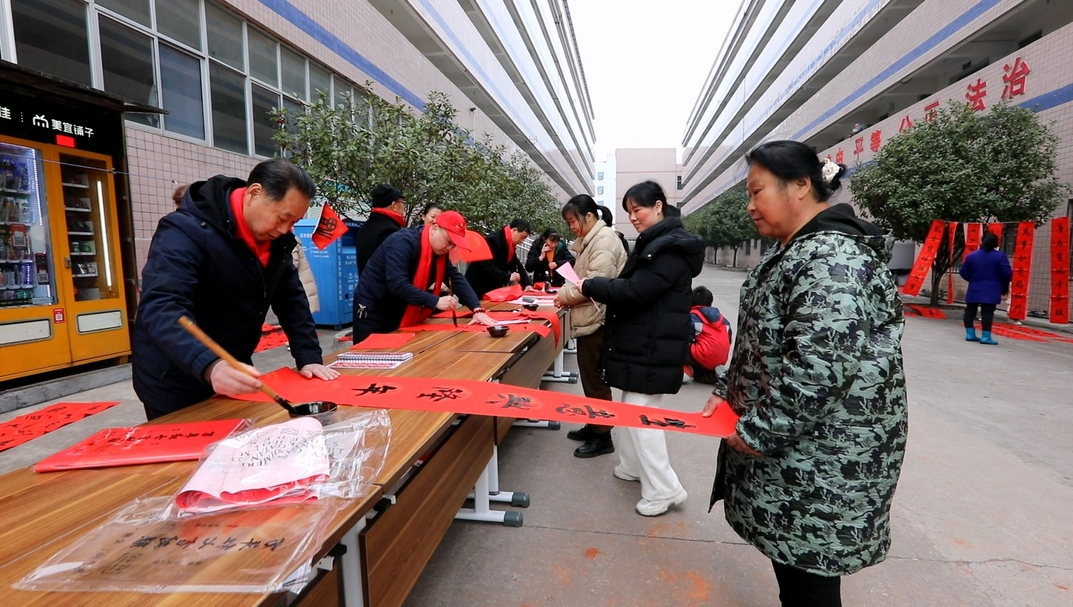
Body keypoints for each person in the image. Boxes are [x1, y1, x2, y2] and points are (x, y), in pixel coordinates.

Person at [703, 140, 907, 606]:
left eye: (757, 192)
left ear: (800, 185)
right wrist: (726, 389)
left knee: (809, 583)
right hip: (801, 456)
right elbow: (765, 343)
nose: (750, 206)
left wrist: (756, 429)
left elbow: (820, 370)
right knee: (798, 575)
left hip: (824, 459)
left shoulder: (831, 258)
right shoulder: (798, 250)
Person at [132, 158, 338, 421]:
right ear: (254, 193)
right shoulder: (184, 231)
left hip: (233, 364)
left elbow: (291, 300)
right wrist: (208, 365)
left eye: (294, 222)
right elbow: (161, 306)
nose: (286, 229)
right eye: (283, 218)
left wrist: (308, 356)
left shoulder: (276, 240)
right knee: (192, 455)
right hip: (175, 374)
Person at [580, 181, 703, 516]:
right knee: (631, 409)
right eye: (629, 211)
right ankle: (633, 466)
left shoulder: (670, 248)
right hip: (647, 340)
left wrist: (589, 285)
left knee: (640, 416)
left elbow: (636, 291)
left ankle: (665, 489)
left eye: (639, 209)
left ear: (659, 207)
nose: (633, 217)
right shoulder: (658, 242)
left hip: (654, 344)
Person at [553, 195, 628, 458]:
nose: (571, 226)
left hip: (598, 319)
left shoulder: (604, 241)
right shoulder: (592, 240)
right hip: (590, 316)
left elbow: (595, 282)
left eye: (573, 220)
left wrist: (563, 296)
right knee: (589, 376)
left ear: (589, 217)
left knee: (596, 380)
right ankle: (595, 425)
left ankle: (603, 435)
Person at [352, 210, 496, 343]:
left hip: (399, 306)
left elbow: (455, 278)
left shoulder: (440, 253)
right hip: (374, 306)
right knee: (368, 357)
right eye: (448, 242)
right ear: (434, 229)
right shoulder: (402, 242)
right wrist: (435, 301)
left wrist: (476, 308)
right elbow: (397, 284)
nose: (449, 248)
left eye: (453, 246)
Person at [960, 232, 1011, 345]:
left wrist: (972, 279)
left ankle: (970, 334)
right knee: (987, 313)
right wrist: (1002, 283)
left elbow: (963, 271)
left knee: (969, 311)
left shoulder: (972, 256)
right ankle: (986, 337)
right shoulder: (1000, 256)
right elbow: (1007, 273)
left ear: (982, 241)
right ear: (996, 244)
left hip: (974, 287)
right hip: (992, 289)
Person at [464, 218, 533, 298]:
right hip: (478, 288)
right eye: (522, 237)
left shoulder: (509, 244)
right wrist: (507, 277)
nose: (522, 241)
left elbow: (516, 263)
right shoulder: (493, 240)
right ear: (514, 230)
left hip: (491, 289)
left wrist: (527, 284)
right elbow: (487, 266)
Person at [684, 286, 731, 385]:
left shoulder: (692, 316)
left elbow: (685, 338)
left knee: (675, 347)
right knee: (699, 375)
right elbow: (728, 339)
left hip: (703, 355)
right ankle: (715, 375)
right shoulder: (723, 319)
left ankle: (679, 372)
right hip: (721, 359)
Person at [356, 183, 406, 273]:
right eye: (402, 203)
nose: (404, 207)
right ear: (394, 205)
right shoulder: (389, 231)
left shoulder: (366, 227)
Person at [292, 237, 319, 313]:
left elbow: (293, 264)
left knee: (298, 315)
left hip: (299, 286)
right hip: (302, 285)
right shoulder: (292, 242)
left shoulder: (289, 243)